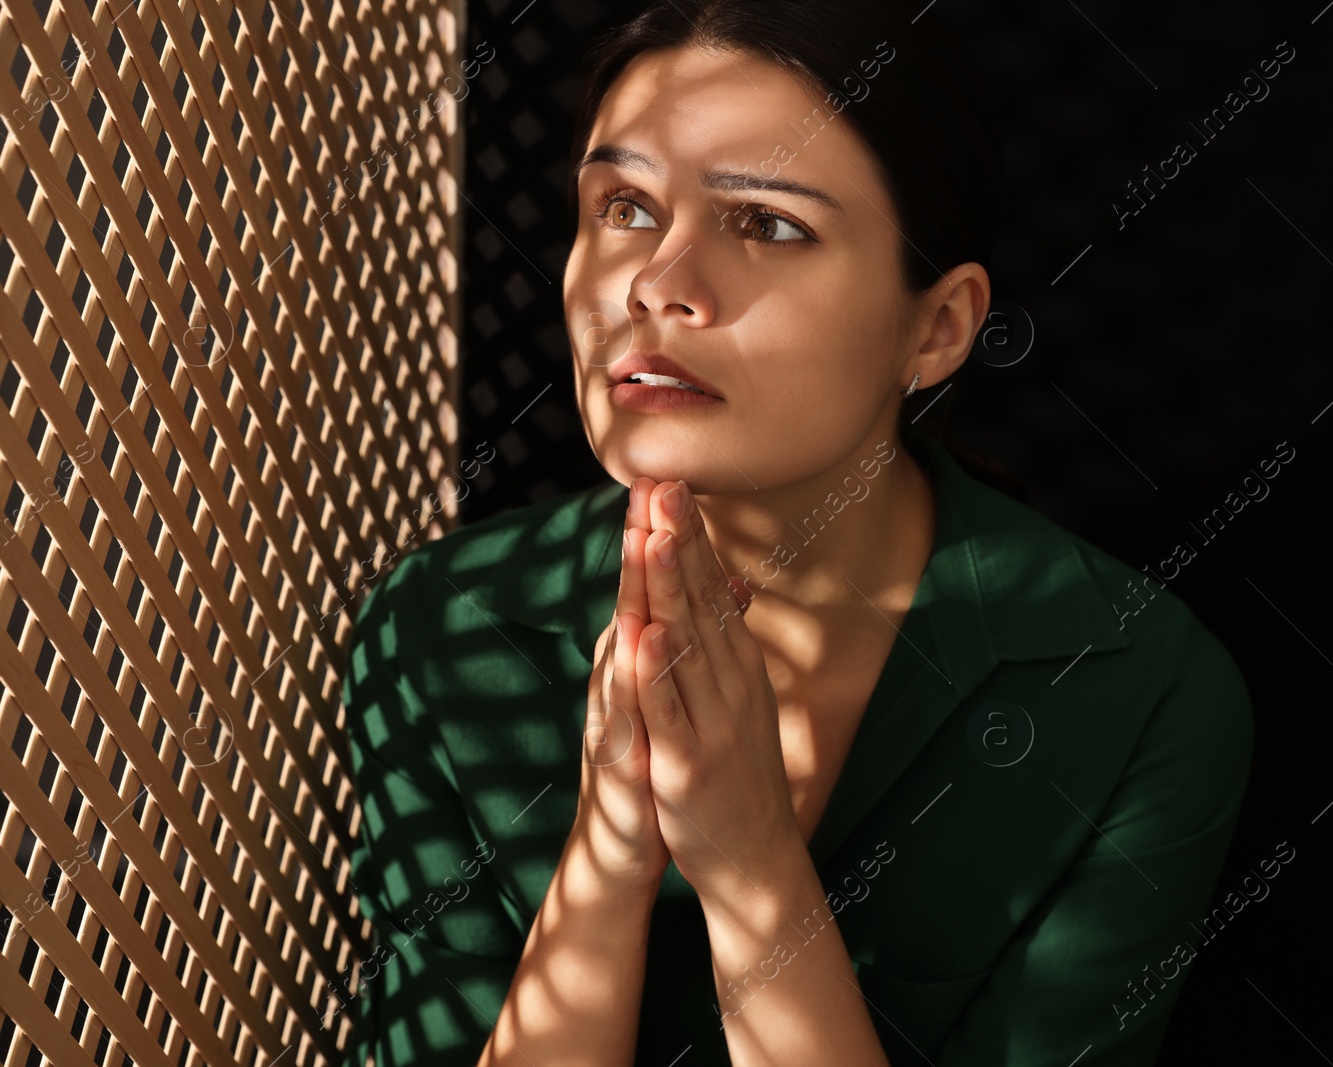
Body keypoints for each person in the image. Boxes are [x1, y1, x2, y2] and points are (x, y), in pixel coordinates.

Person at [337, 1, 1253, 1065]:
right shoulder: (442, 629)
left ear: (938, 327)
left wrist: (753, 864)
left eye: (766, 224)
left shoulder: (1136, 689)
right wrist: (606, 859)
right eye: (625, 205)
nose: (653, 286)